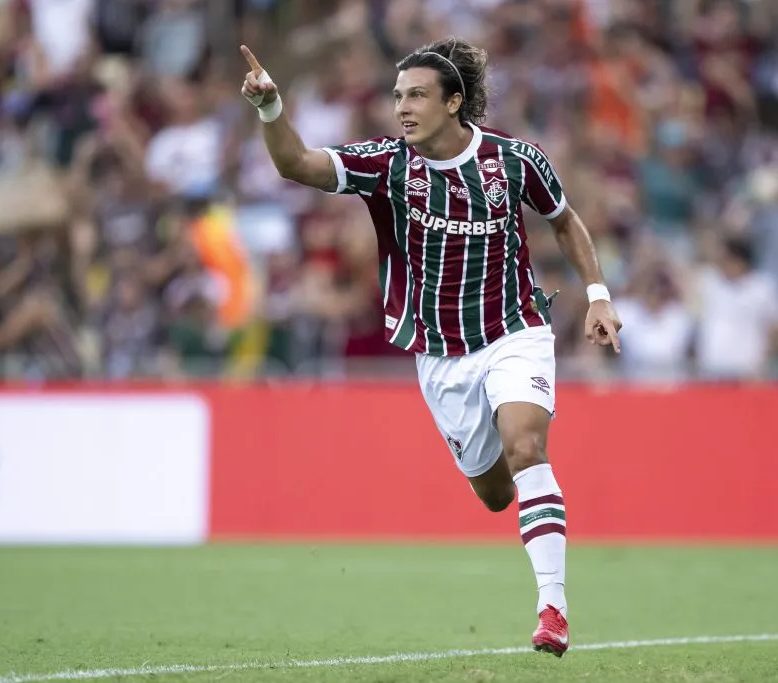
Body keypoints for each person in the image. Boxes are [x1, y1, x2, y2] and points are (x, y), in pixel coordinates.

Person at [240, 37, 622, 657]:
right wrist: (269, 107)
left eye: (416, 95)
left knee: (527, 447)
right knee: (495, 494)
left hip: (514, 330)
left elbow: (563, 219)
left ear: (453, 102)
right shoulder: (388, 165)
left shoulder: (514, 160)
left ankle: (552, 607)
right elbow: (297, 165)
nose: (402, 108)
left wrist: (599, 295)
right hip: (441, 355)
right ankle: (519, 496)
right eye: (398, 96)